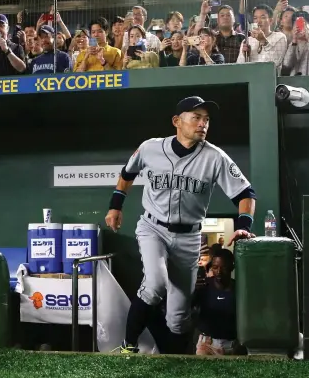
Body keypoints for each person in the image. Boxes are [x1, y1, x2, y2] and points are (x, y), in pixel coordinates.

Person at [105, 95, 257, 354]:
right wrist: (115, 206)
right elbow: (127, 174)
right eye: (196, 118)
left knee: (177, 317)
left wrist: (243, 225)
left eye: (206, 119)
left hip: (189, 238)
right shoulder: (151, 147)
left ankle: (175, 358)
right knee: (154, 284)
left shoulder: (215, 157)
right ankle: (128, 347)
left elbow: (246, 194)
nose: (203, 124)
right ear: (177, 121)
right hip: (153, 228)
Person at [193, 249, 244, 355]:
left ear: (231, 268)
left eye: (223, 268)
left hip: (232, 344)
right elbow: (187, 307)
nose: (219, 271)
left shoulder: (239, 289)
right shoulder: (203, 286)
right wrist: (192, 291)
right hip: (206, 344)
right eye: (215, 267)